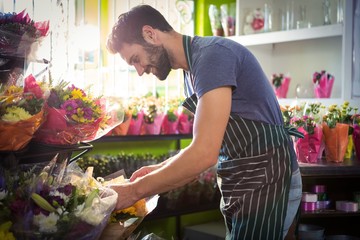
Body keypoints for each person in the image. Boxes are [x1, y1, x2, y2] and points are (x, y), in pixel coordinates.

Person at [106, 4, 303, 240]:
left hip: (266, 180)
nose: (139, 71)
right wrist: (158, 170)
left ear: (150, 34)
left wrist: (133, 192)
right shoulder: (191, 71)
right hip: (244, 182)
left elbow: (204, 153)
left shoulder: (211, 56)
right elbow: (205, 145)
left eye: (136, 59)